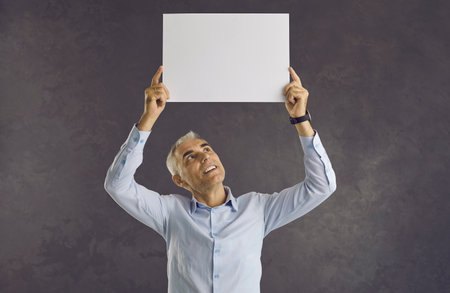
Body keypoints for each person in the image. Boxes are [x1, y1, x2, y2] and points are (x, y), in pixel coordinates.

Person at [104, 65, 337, 293]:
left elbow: (322, 186)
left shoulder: (258, 209)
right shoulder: (169, 212)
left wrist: (300, 120)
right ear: (180, 181)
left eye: (206, 149)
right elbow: (117, 185)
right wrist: (148, 118)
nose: (204, 157)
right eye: (190, 157)